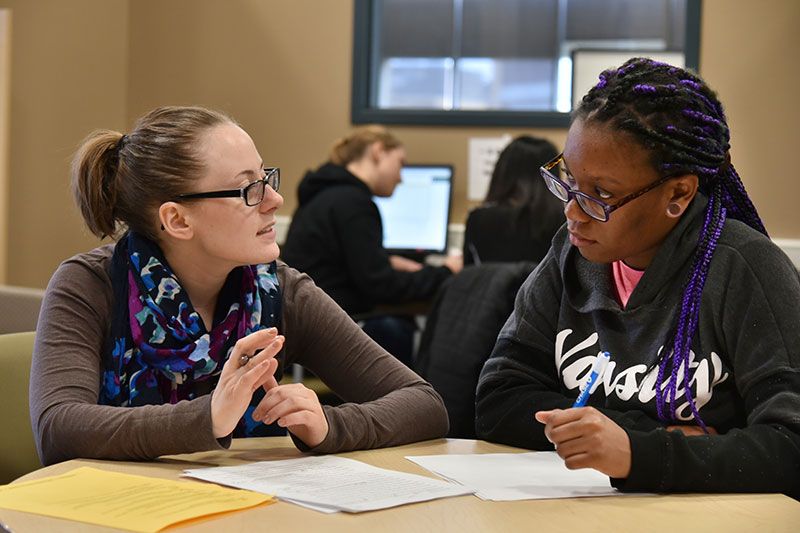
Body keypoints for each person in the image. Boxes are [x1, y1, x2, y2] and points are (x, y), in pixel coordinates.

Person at [30, 106, 449, 465]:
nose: (274, 200)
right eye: (249, 188)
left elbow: (423, 404)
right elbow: (59, 428)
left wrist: (330, 424)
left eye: (267, 177)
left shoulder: (280, 290)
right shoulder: (89, 285)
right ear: (178, 220)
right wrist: (208, 417)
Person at [475, 58, 800, 498]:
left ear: (678, 194)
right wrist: (637, 437)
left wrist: (637, 454)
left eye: (602, 194)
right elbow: (498, 400)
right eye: (568, 180)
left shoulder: (745, 269)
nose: (572, 212)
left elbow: (789, 447)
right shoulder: (571, 253)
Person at [281, 126, 462, 364]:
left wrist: (385, 260)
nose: (401, 177)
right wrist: (445, 271)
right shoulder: (354, 203)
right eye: (400, 163)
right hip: (324, 332)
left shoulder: (326, 194)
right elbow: (381, 286)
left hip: (301, 327)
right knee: (396, 328)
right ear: (378, 152)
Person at [462, 136, 565, 266]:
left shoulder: (477, 219)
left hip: (494, 287)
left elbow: (469, 275)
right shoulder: (565, 222)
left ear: (502, 172)